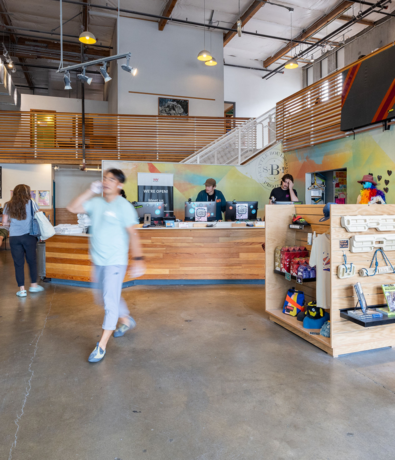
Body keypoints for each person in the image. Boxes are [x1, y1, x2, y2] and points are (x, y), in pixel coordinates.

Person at [67, 169, 145, 363]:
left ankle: (101, 346)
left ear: (119, 185)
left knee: (109, 301)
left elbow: (133, 234)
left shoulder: (124, 206)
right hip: (98, 260)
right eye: (105, 178)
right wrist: (90, 191)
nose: (106, 182)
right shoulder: (96, 202)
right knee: (104, 297)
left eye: (112, 179)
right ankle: (126, 320)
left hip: (115, 261)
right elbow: (72, 208)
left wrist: (138, 258)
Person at [2, 184, 44, 297]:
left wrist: (13, 223)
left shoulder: (7, 205)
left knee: (18, 264)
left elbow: (5, 223)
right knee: (31, 261)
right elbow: (39, 216)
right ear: (27, 193)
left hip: (14, 238)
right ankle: (33, 286)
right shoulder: (32, 203)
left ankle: (22, 290)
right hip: (29, 236)